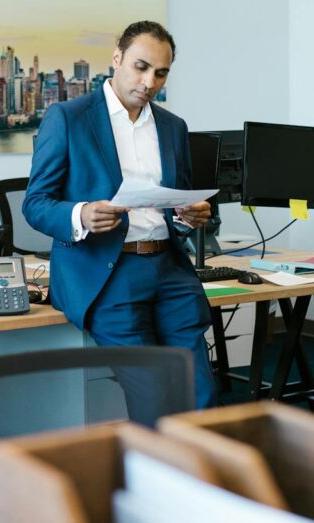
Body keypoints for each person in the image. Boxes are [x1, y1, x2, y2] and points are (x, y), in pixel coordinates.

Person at [22, 20, 216, 411]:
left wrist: (188, 216)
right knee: (154, 398)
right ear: (117, 58)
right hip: (108, 273)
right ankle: (156, 471)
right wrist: (81, 214)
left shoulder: (173, 127)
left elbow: (174, 204)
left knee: (201, 395)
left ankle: (200, 472)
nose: (149, 82)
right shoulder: (68, 117)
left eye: (161, 73)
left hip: (169, 268)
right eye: (141, 67)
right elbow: (35, 203)